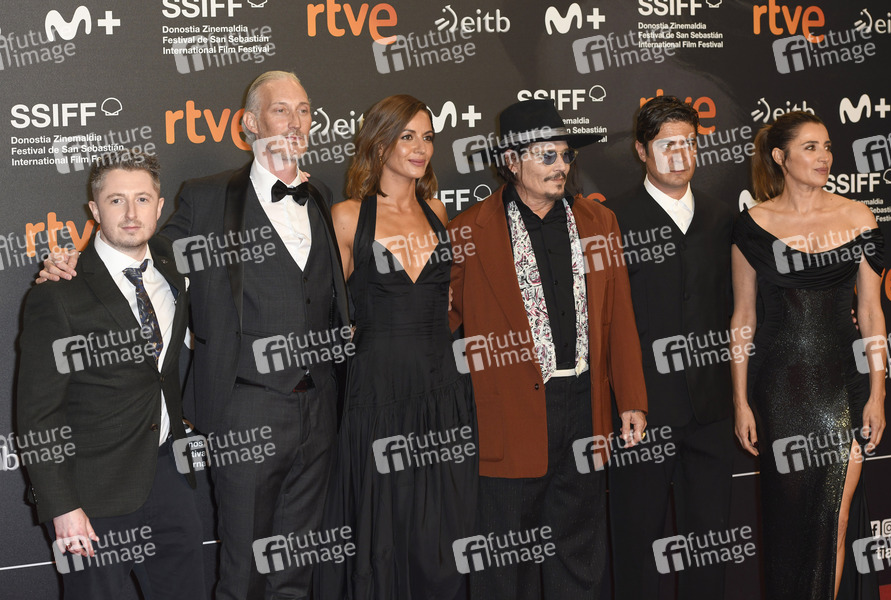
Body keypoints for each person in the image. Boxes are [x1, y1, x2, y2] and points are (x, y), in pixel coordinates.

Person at [38, 71, 350, 600]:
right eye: (281, 110)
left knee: (296, 566)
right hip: (246, 409)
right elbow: (138, 253)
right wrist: (71, 263)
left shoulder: (320, 194)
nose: (296, 122)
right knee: (244, 569)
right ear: (250, 123)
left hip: (319, 410)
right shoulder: (208, 198)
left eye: (304, 110)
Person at [447, 99, 648, 599]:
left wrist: (631, 400)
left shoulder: (599, 222)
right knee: (505, 564)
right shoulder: (468, 231)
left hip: (583, 406)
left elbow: (620, 317)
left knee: (579, 556)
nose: (561, 166)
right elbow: (442, 323)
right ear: (511, 162)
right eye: (547, 156)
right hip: (507, 414)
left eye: (565, 155)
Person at [18, 150, 205, 599]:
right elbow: (37, 414)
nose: (131, 213)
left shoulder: (171, 266)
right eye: (116, 200)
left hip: (170, 479)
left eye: (143, 199)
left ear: (159, 207)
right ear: (94, 209)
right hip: (93, 495)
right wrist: (63, 508)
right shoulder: (58, 291)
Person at [316, 94, 478, 600]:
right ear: (380, 143)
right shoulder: (347, 217)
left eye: (427, 137)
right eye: (407, 136)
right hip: (376, 396)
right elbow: (324, 309)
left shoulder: (438, 211)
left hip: (441, 391)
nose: (420, 147)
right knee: (381, 531)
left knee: (439, 534)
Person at [732, 111, 885, 600]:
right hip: (779, 390)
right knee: (788, 521)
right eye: (811, 147)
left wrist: (878, 394)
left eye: (828, 147)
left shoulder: (859, 217)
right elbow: (743, 317)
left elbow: (872, 312)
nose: (824, 157)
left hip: (844, 385)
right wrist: (740, 401)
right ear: (780, 157)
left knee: (833, 518)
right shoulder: (752, 226)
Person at [604, 96, 734, 599]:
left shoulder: (722, 218)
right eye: (666, 145)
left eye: (689, 143)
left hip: (711, 411)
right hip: (641, 412)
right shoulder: (611, 219)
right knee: (635, 545)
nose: (680, 155)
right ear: (641, 150)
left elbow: (739, 309)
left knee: (711, 546)